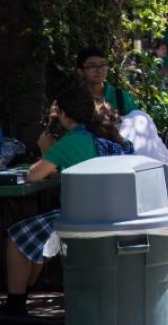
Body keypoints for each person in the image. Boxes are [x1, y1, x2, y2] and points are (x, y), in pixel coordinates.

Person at [1, 85, 133, 316]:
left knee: (17, 238)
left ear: (63, 114)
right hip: (113, 213)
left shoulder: (71, 141)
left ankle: (15, 304)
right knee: (33, 236)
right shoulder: (105, 133)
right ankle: (25, 293)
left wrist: (45, 150)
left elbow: (33, 175)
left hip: (81, 218)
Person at [75, 46, 137, 115]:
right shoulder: (74, 99)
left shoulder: (122, 97)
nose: (99, 70)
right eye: (92, 66)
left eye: (102, 64)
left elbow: (134, 123)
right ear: (80, 71)